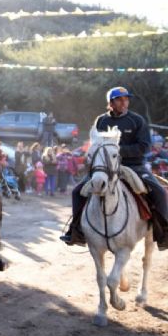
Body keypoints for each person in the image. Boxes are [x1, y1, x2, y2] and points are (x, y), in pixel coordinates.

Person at [61, 87, 168, 250]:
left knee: (158, 191)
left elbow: (145, 147)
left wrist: (117, 151)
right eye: (120, 99)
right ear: (111, 103)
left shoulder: (137, 120)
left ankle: (163, 234)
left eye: (126, 99)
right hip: (104, 167)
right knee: (77, 191)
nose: (124, 102)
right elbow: (94, 143)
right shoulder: (101, 121)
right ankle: (76, 231)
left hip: (133, 166)